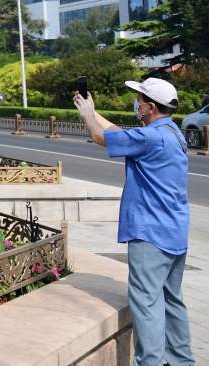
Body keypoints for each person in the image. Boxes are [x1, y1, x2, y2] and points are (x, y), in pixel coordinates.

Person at [74, 77, 193, 366]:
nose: (135, 104)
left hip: (150, 232)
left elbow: (100, 137)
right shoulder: (172, 133)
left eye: (139, 100)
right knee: (172, 299)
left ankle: (150, 361)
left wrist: (87, 116)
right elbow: (118, 134)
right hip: (174, 230)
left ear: (150, 107)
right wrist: (94, 111)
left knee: (146, 302)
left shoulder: (150, 138)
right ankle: (182, 361)